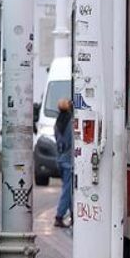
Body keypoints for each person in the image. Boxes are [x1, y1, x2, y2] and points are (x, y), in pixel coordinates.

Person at [53, 98, 74, 228]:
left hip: (60, 159)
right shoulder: (71, 123)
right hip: (69, 160)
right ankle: (59, 216)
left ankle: (73, 215)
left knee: (69, 189)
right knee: (67, 190)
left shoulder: (57, 123)